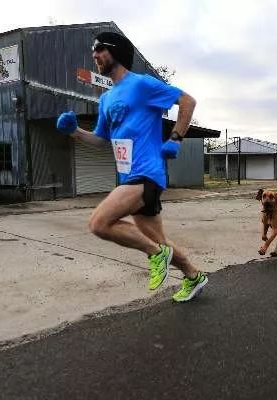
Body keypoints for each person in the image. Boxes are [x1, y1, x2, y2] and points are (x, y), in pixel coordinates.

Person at [56, 32, 208, 302]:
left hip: (147, 173)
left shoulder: (141, 85)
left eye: (100, 49)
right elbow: (101, 139)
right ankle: (194, 276)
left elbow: (188, 102)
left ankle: (155, 255)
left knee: (99, 223)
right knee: (161, 242)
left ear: (116, 51)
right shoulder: (105, 99)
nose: (95, 55)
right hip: (129, 176)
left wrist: (175, 138)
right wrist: (75, 131)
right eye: (93, 50)